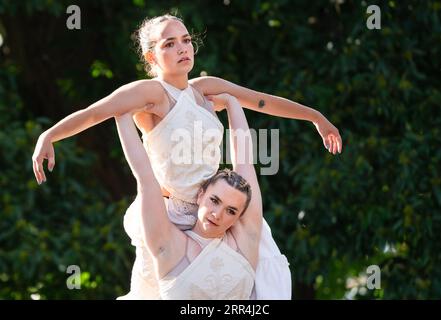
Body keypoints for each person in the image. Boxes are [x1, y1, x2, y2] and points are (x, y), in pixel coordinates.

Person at [31, 14, 342, 299]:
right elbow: (95, 112)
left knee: (259, 279)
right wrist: (50, 135)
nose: (183, 48)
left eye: (186, 40)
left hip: (219, 203)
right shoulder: (152, 94)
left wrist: (315, 116)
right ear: (152, 56)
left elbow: (260, 101)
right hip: (177, 216)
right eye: (170, 43)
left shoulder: (205, 89)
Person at [115, 93, 261, 299]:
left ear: (239, 218)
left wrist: (232, 103)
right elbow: (146, 179)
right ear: (201, 195)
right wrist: (121, 113)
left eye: (231, 211)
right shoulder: (170, 245)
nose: (218, 214)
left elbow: (245, 161)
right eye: (214, 200)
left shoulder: (248, 240)